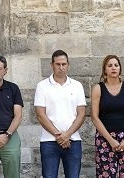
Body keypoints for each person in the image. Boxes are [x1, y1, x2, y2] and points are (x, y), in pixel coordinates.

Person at [33, 49, 87, 178]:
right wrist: (60, 136)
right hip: (49, 141)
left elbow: (81, 114)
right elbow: (40, 114)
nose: (61, 67)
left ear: (68, 65)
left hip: (73, 140)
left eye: (64, 64)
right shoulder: (42, 86)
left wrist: (67, 135)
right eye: (58, 64)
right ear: (52, 65)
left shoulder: (77, 85)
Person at [91, 54, 124, 178]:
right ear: (105, 70)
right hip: (105, 138)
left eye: (116, 65)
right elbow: (94, 117)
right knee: (105, 175)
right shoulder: (98, 89)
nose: (113, 68)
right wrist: (111, 140)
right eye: (110, 65)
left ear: (120, 69)